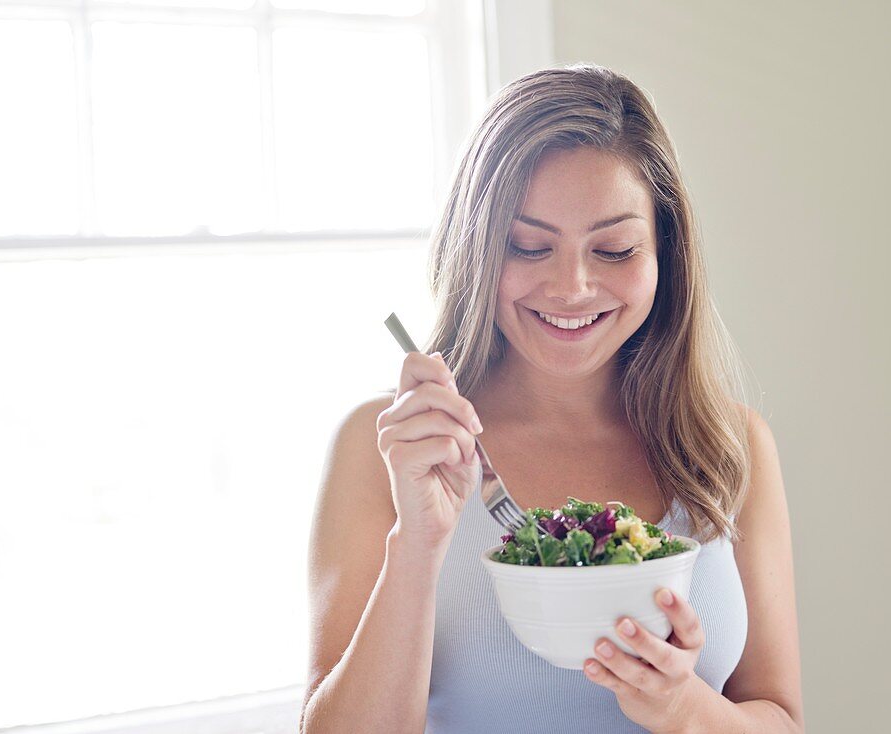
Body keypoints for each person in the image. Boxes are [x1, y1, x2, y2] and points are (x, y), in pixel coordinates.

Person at [299, 64, 803, 734]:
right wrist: (418, 543)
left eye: (616, 249)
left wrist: (686, 710)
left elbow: (780, 718)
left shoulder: (730, 446)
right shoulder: (389, 447)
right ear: (476, 249)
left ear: (665, 256)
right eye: (529, 246)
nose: (571, 288)